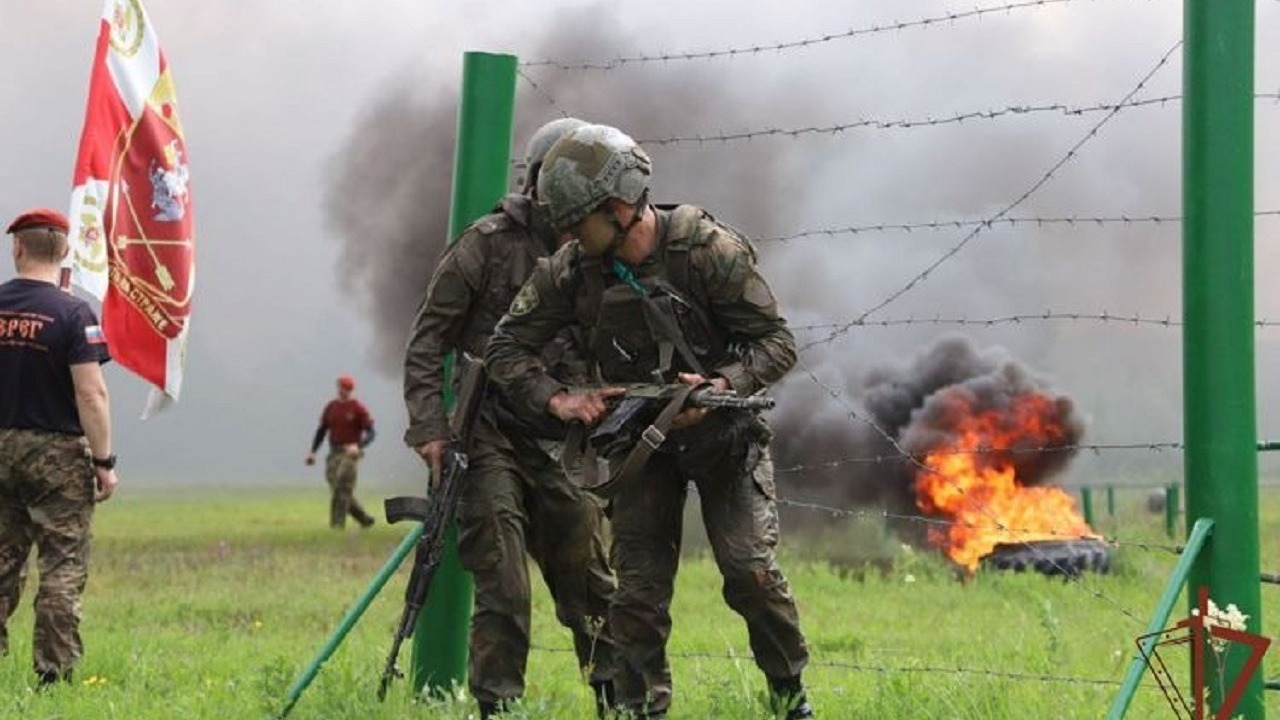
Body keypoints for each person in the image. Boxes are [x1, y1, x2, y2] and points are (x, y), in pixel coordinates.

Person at [484, 124, 814, 719]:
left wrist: (721, 385)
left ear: (617, 208)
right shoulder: (570, 271)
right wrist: (559, 399)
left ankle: (789, 696)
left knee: (751, 575)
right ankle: (642, 710)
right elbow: (505, 347)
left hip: (724, 438)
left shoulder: (707, 252)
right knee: (636, 598)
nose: (565, 234)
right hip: (639, 448)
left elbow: (777, 343)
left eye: (576, 221)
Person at [403, 117, 617, 719]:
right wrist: (429, 430)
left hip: (564, 438)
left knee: (591, 581)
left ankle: (616, 699)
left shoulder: (601, 249)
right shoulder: (488, 244)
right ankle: (499, 708)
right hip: (488, 433)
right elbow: (427, 342)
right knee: (504, 587)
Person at [0, 208, 118, 687]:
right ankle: (53, 675)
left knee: (2, 559)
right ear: (66, 251)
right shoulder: (73, 313)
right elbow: (90, 393)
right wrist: (104, 461)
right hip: (56, 455)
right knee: (62, 564)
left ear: (17, 248)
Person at [304, 374, 377, 529]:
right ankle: (363, 518)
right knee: (336, 486)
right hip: (334, 453)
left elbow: (371, 433)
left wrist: (359, 446)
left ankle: (337, 526)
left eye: (345, 388)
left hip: (350, 453)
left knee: (343, 486)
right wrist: (313, 452)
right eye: (340, 387)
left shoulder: (358, 408)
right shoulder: (331, 407)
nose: (342, 390)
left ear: (350, 389)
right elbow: (322, 431)